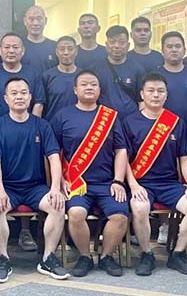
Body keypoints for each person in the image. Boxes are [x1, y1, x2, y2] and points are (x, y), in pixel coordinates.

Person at [0, 78, 68, 282]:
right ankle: (3, 259)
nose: (19, 97)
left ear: (30, 97)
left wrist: (55, 188)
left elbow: (54, 158)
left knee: (57, 205)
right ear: (6, 98)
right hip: (8, 187)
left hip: (35, 187)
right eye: (14, 93)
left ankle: (48, 258)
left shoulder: (42, 125)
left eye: (23, 93)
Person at [50, 71, 129, 278]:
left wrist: (118, 181)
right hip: (76, 183)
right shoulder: (62, 116)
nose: (89, 88)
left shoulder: (110, 117)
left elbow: (121, 150)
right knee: (76, 214)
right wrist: (60, 180)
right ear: (75, 90)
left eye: (93, 84)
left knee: (120, 216)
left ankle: (106, 256)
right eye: (84, 84)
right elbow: (53, 153)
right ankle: (85, 256)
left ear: (99, 89)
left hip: (107, 183)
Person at [123, 73, 187, 276]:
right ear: (142, 94)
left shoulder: (176, 122)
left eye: (160, 91)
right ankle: (146, 254)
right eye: (151, 90)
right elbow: (124, 159)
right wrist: (133, 185)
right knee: (139, 207)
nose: (156, 95)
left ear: (166, 95)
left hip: (169, 184)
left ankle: (178, 254)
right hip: (141, 183)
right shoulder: (129, 122)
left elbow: (183, 158)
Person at [0, 33, 45, 132]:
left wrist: (33, 130)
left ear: (23, 51)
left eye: (15, 47)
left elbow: (38, 103)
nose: (11, 51)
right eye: (7, 47)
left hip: (26, 130)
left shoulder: (33, 74)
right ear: (0, 50)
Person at [97, 25, 145, 115]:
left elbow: (142, 100)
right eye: (112, 42)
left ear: (128, 45)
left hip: (130, 119)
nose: (116, 46)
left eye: (121, 42)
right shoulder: (96, 68)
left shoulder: (137, 69)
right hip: (104, 119)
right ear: (106, 45)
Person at [42, 36, 79, 121]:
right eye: (62, 49)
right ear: (57, 52)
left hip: (77, 124)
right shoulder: (47, 76)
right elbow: (41, 105)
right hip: (52, 124)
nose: (66, 53)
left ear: (76, 51)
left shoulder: (83, 76)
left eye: (70, 49)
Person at [22, 5, 57, 73]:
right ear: (25, 21)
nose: (35, 23)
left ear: (46, 21)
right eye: (31, 19)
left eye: (39, 19)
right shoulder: (18, 47)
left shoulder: (55, 47)